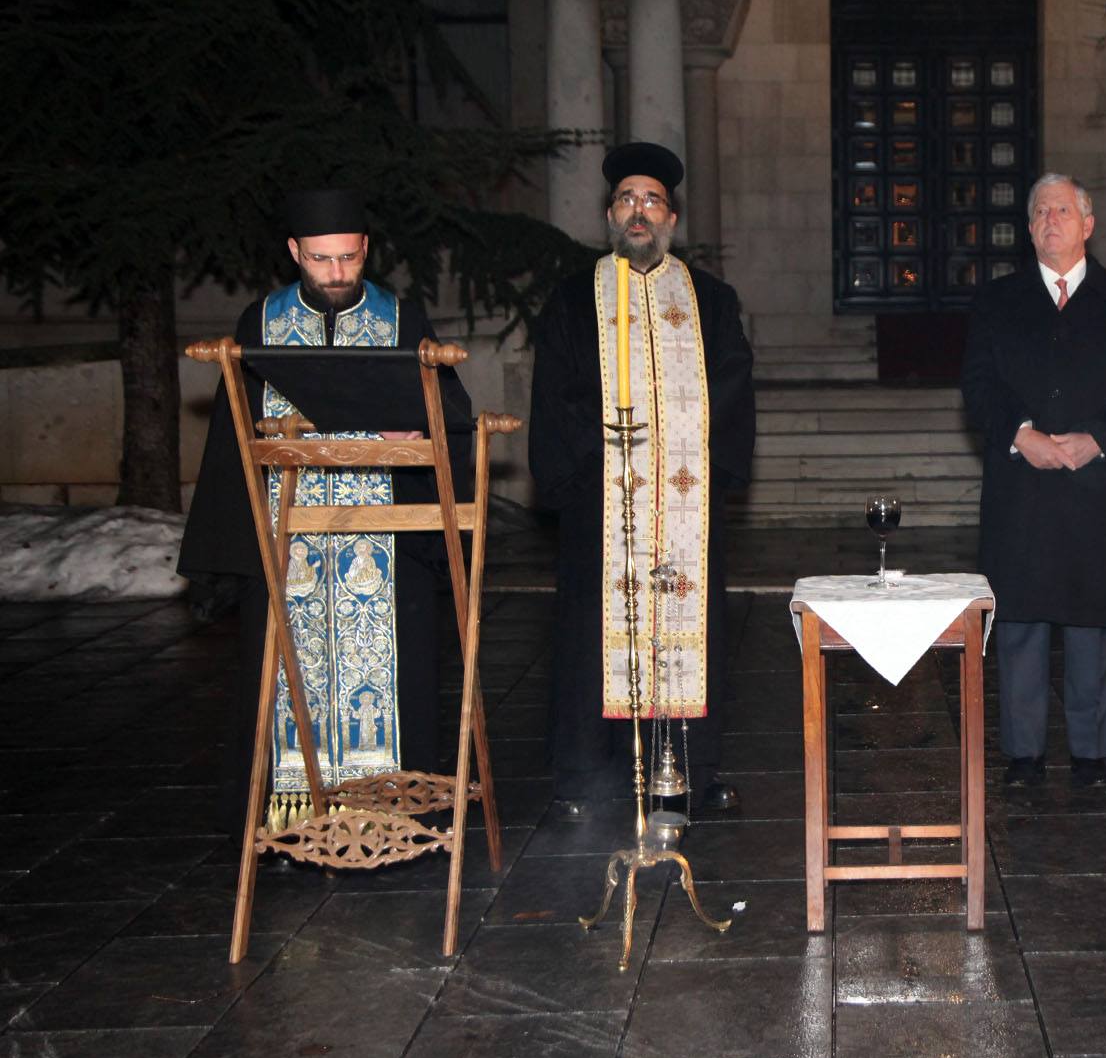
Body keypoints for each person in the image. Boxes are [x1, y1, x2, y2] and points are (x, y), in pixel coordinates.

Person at [180, 187, 471, 830]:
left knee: (399, 676)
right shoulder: (261, 323)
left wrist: (420, 429)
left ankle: (391, 811)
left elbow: (451, 413)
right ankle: (291, 813)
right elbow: (231, 438)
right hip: (289, 539)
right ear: (294, 252)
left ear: (366, 247)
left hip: (387, 540)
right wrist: (233, 551)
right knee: (284, 673)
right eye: (320, 259)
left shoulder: (403, 320)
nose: (337, 273)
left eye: (348, 257)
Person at [528, 142, 756, 812]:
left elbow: (734, 386)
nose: (639, 211)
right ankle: (590, 778)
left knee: (689, 631)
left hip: (684, 502)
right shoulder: (574, 299)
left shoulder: (711, 300)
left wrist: (687, 448)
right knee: (592, 635)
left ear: (671, 218)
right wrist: (600, 457)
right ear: (609, 214)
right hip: (600, 501)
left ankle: (687, 775)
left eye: (651, 200)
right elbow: (556, 394)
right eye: (627, 199)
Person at [962, 173, 1106, 789]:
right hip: (1020, 488)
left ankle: (1090, 753)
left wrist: (1099, 438)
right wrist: (1019, 433)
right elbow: (978, 384)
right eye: (1041, 212)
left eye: (1063, 211)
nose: (1051, 220)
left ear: (1088, 225)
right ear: (1029, 230)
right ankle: (1023, 754)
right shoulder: (996, 301)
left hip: (1093, 489)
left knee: (1091, 624)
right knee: (1019, 623)